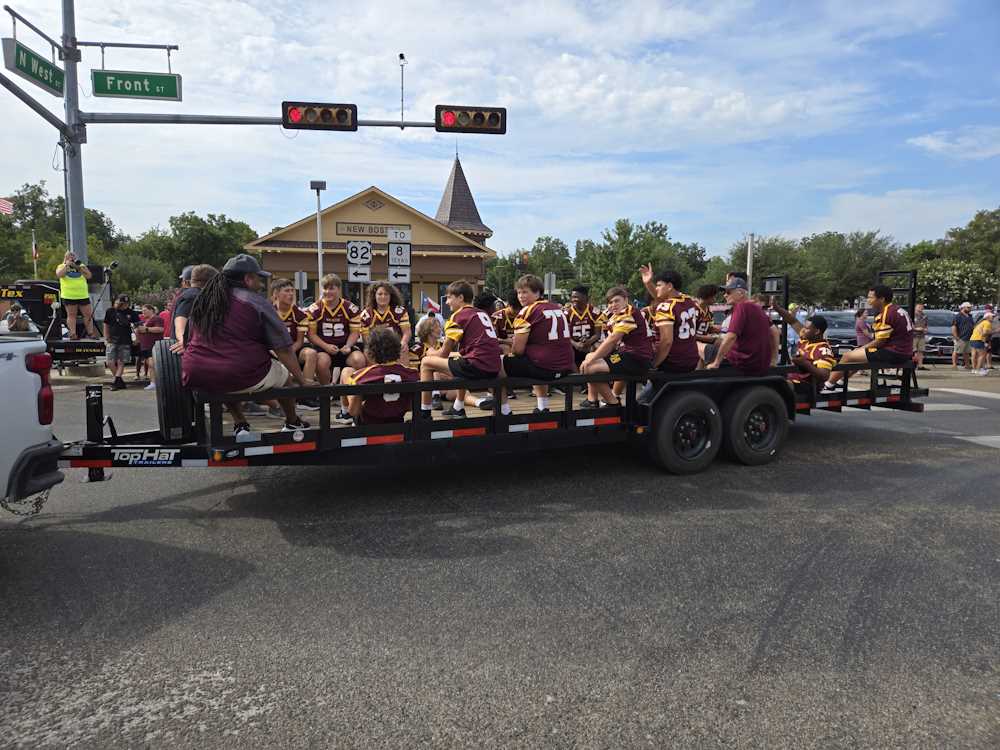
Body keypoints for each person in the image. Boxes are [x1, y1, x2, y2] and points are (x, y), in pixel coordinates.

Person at [182, 254, 309, 436]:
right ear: (248, 279)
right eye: (258, 278)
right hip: (238, 372)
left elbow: (187, 341)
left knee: (223, 377)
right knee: (284, 376)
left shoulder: (204, 301)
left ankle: (240, 423)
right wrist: (303, 381)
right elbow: (283, 348)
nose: (261, 283)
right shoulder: (255, 301)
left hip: (197, 374)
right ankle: (292, 421)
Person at [419, 280, 505, 418]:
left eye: (449, 297)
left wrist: (431, 352)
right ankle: (458, 407)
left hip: (477, 366)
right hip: (494, 366)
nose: (447, 302)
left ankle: (424, 413)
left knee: (426, 363)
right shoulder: (481, 313)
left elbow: (443, 353)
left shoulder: (458, 316)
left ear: (460, 297)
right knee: (459, 361)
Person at [503, 274, 576, 414]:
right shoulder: (556, 307)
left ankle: (504, 409)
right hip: (567, 365)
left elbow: (517, 350)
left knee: (497, 363)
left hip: (545, 368)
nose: (521, 296)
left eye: (525, 292)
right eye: (519, 292)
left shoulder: (527, 311)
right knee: (536, 355)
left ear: (538, 292)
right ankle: (542, 406)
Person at [825, 285, 913, 389]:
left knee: (848, 356)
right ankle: (840, 382)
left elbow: (880, 341)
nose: (868, 300)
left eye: (871, 297)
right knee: (858, 357)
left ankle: (828, 384)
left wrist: (861, 348)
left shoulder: (886, 314)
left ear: (881, 299)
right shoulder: (897, 310)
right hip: (904, 351)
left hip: (894, 352)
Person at [580, 286, 654, 408]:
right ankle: (592, 400)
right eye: (610, 302)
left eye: (616, 301)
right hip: (629, 354)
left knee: (590, 367)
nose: (613, 305)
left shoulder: (628, 315)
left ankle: (612, 402)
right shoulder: (621, 313)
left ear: (625, 300)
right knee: (589, 357)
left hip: (637, 358)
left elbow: (612, 340)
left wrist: (592, 359)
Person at [306, 273, 365, 421]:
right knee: (321, 362)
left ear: (339, 289)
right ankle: (328, 393)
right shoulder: (315, 308)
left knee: (359, 360)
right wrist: (325, 346)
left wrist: (348, 345)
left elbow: (354, 332)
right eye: (325, 289)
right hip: (324, 346)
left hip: (344, 346)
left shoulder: (349, 307)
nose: (328, 292)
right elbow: (312, 335)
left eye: (331, 288)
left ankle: (354, 395)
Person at [340, 327, 419, 424]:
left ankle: (344, 414)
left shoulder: (362, 376)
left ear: (371, 352)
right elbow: (410, 407)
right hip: (397, 421)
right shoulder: (412, 373)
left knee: (346, 371)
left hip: (368, 423)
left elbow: (354, 411)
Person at [704, 277, 775, 375]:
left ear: (740, 293)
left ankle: (696, 379)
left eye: (728, 292)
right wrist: (773, 360)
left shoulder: (741, 307)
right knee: (715, 345)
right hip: (758, 363)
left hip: (742, 361)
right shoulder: (757, 308)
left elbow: (731, 336)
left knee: (696, 346)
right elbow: (774, 332)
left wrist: (716, 363)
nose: (725, 295)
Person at [639, 267, 700, 374]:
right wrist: (648, 283)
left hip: (673, 362)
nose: (656, 288)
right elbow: (661, 297)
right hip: (692, 359)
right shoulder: (688, 300)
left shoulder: (665, 308)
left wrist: (654, 364)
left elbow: (667, 341)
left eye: (659, 285)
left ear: (670, 286)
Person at [771, 301, 835, 390]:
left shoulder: (823, 349)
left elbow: (824, 376)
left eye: (807, 328)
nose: (803, 330)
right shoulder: (806, 338)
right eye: (804, 327)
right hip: (794, 379)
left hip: (807, 385)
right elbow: (792, 320)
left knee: (775, 385)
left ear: (817, 331)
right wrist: (777, 308)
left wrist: (805, 363)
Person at [169, 264, 218, 354]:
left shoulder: (189, 294)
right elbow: (180, 319)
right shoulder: (193, 296)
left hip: (185, 350)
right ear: (212, 282)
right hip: (185, 352)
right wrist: (183, 340)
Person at [55, 250, 98, 339]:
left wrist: (79, 268)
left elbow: (89, 276)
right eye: (70, 256)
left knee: (88, 315)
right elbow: (59, 275)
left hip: (82, 295)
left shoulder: (81, 265)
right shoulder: (61, 266)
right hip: (69, 295)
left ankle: (90, 333)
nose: (72, 257)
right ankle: (73, 334)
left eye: (73, 256)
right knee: (71, 315)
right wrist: (67, 265)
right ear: (66, 257)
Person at [359, 281, 411, 351]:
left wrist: (403, 342)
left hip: (395, 346)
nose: (383, 296)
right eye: (380, 294)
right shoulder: (366, 314)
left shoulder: (400, 311)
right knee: (366, 353)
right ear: (374, 296)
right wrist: (374, 348)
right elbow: (366, 338)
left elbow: (406, 332)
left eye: (386, 294)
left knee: (404, 349)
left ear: (391, 296)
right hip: (375, 347)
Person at [564, 285, 605, 368]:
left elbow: (597, 335)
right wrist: (575, 344)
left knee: (598, 346)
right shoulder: (567, 313)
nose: (573, 300)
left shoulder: (595, 312)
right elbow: (565, 335)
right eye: (572, 297)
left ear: (585, 297)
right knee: (566, 350)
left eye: (576, 297)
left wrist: (588, 342)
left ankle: (596, 371)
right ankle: (577, 377)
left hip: (589, 343)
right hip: (573, 344)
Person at [103, 293, 134, 391]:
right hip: (112, 339)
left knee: (121, 361)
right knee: (109, 362)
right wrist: (106, 337)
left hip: (125, 339)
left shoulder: (131, 312)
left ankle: (116, 381)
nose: (125, 305)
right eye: (122, 303)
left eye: (126, 303)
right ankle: (119, 380)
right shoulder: (110, 311)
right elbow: (106, 324)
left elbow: (137, 325)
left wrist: (136, 338)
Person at [135, 304, 164, 390]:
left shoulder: (157, 318)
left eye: (145, 310)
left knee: (152, 364)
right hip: (145, 346)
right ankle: (153, 382)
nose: (143, 312)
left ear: (151, 310)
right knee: (149, 363)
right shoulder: (144, 320)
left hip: (153, 345)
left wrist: (147, 329)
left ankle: (155, 382)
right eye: (142, 311)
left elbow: (160, 329)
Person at [951, 302, 974, 370]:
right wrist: (956, 336)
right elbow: (954, 326)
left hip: (968, 337)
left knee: (966, 352)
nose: (970, 309)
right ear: (963, 308)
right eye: (968, 307)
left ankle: (967, 365)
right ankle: (954, 365)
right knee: (957, 351)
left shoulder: (970, 316)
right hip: (960, 337)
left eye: (970, 307)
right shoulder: (958, 316)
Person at [912, 302, 928, 369]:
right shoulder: (912, 315)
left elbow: (926, 324)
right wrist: (916, 329)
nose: (920, 308)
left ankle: (920, 365)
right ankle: (913, 364)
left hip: (921, 335)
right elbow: (909, 325)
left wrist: (926, 329)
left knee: (921, 351)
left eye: (922, 307)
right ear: (915, 307)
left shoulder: (925, 316)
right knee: (913, 350)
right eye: (919, 307)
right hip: (913, 335)